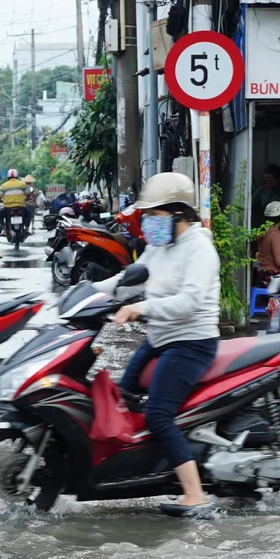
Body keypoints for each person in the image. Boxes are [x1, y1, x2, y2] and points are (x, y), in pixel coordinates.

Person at [112, 172, 220, 519]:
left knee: (158, 413)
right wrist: (83, 292)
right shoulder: (159, 246)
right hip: (160, 337)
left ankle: (195, 494)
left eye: (154, 216)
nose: (148, 224)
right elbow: (128, 275)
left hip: (192, 342)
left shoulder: (200, 248)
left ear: (178, 214)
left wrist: (139, 308)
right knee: (121, 394)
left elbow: (189, 302)